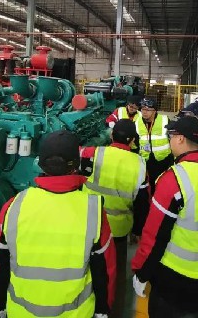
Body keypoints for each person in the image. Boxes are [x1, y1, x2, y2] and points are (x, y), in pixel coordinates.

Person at [0, 130, 116, 318]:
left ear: (40, 164)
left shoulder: (13, 206)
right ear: (76, 165)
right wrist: (103, 309)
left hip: (21, 313)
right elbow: (104, 270)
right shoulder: (94, 211)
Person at [131, 117, 198, 318]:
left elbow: (155, 234)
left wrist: (142, 272)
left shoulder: (174, 179)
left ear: (181, 139)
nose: (169, 140)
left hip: (174, 278)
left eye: (171, 136)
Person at [80, 119, 150, 318]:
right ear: (132, 141)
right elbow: (143, 203)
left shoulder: (93, 153)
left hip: (89, 223)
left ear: (111, 136)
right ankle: (112, 310)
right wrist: (137, 230)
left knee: (85, 268)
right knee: (114, 274)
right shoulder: (139, 165)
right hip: (118, 231)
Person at [135, 97, 173, 191]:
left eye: (148, 110)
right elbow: (135, 142)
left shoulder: (165, 120)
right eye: (143, 109)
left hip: (163, 160)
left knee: (162, 185)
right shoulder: (137, 122)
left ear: (155, 111)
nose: (144, 112)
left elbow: (173, 139)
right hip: (146, 161)